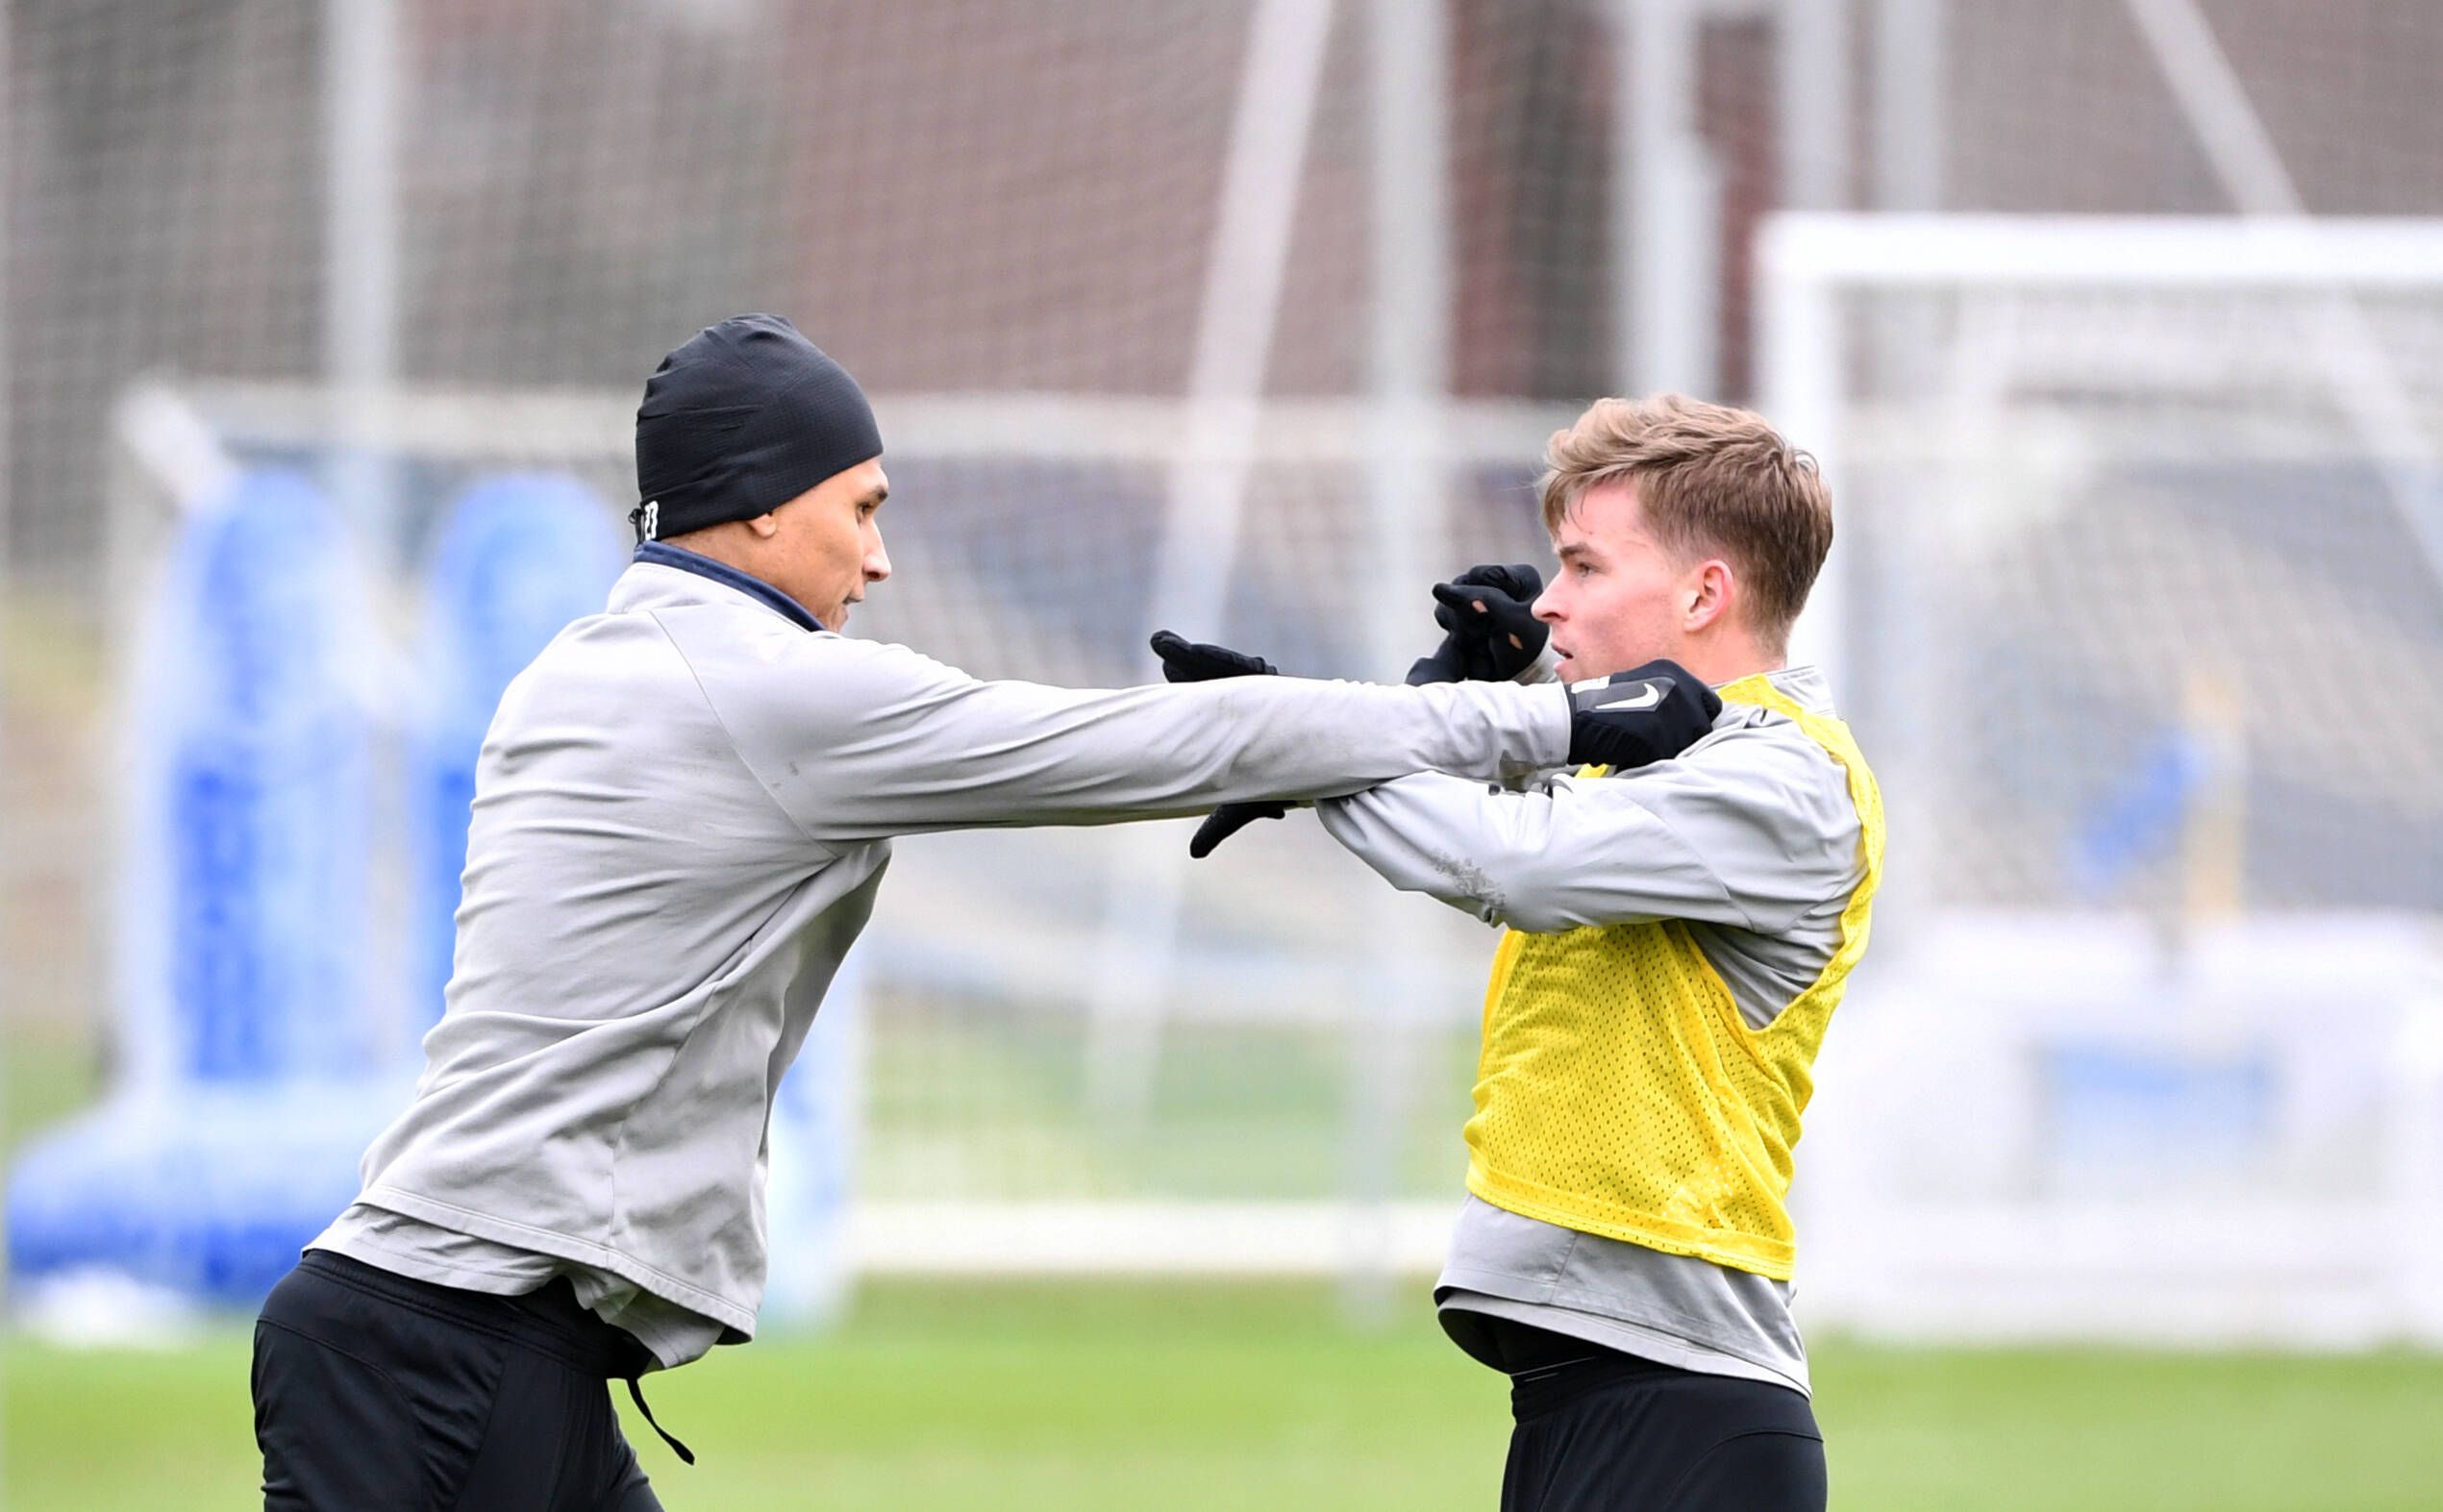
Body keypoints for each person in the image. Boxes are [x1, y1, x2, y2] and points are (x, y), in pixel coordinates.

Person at [247, 315, 1721, 1512]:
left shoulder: (596, 663)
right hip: (440, 1351)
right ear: (761, 500)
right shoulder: (771, 692)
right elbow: (1155, 749)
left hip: (463, 1337)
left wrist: (1404, 712)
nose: (879, 559)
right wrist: (1553, 721)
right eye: (861, 509)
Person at [1168, 394, 1879, 1511]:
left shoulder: (1785, 776)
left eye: (1586, 567)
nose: (1548, 601)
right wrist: (1444, 699)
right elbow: (1466, 788)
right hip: (1597, 1405)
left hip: (1684, 1413)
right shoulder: (1657, 756)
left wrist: (1289, 737)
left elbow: (1514, 863)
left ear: (1705, 592)